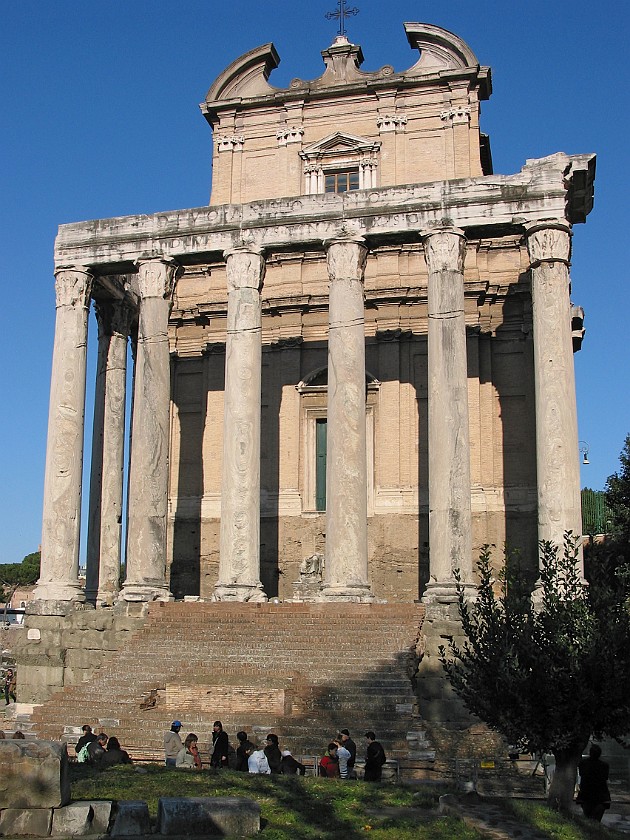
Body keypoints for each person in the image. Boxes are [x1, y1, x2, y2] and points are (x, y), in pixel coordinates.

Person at [577, 744, 611, 822]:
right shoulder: (604, 766)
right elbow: (605, 778)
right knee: (596, 819)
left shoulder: (583, 764)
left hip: (586, 793)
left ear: (590, 753)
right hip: (600, 795)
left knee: (588, 817)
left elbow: (582, 774)